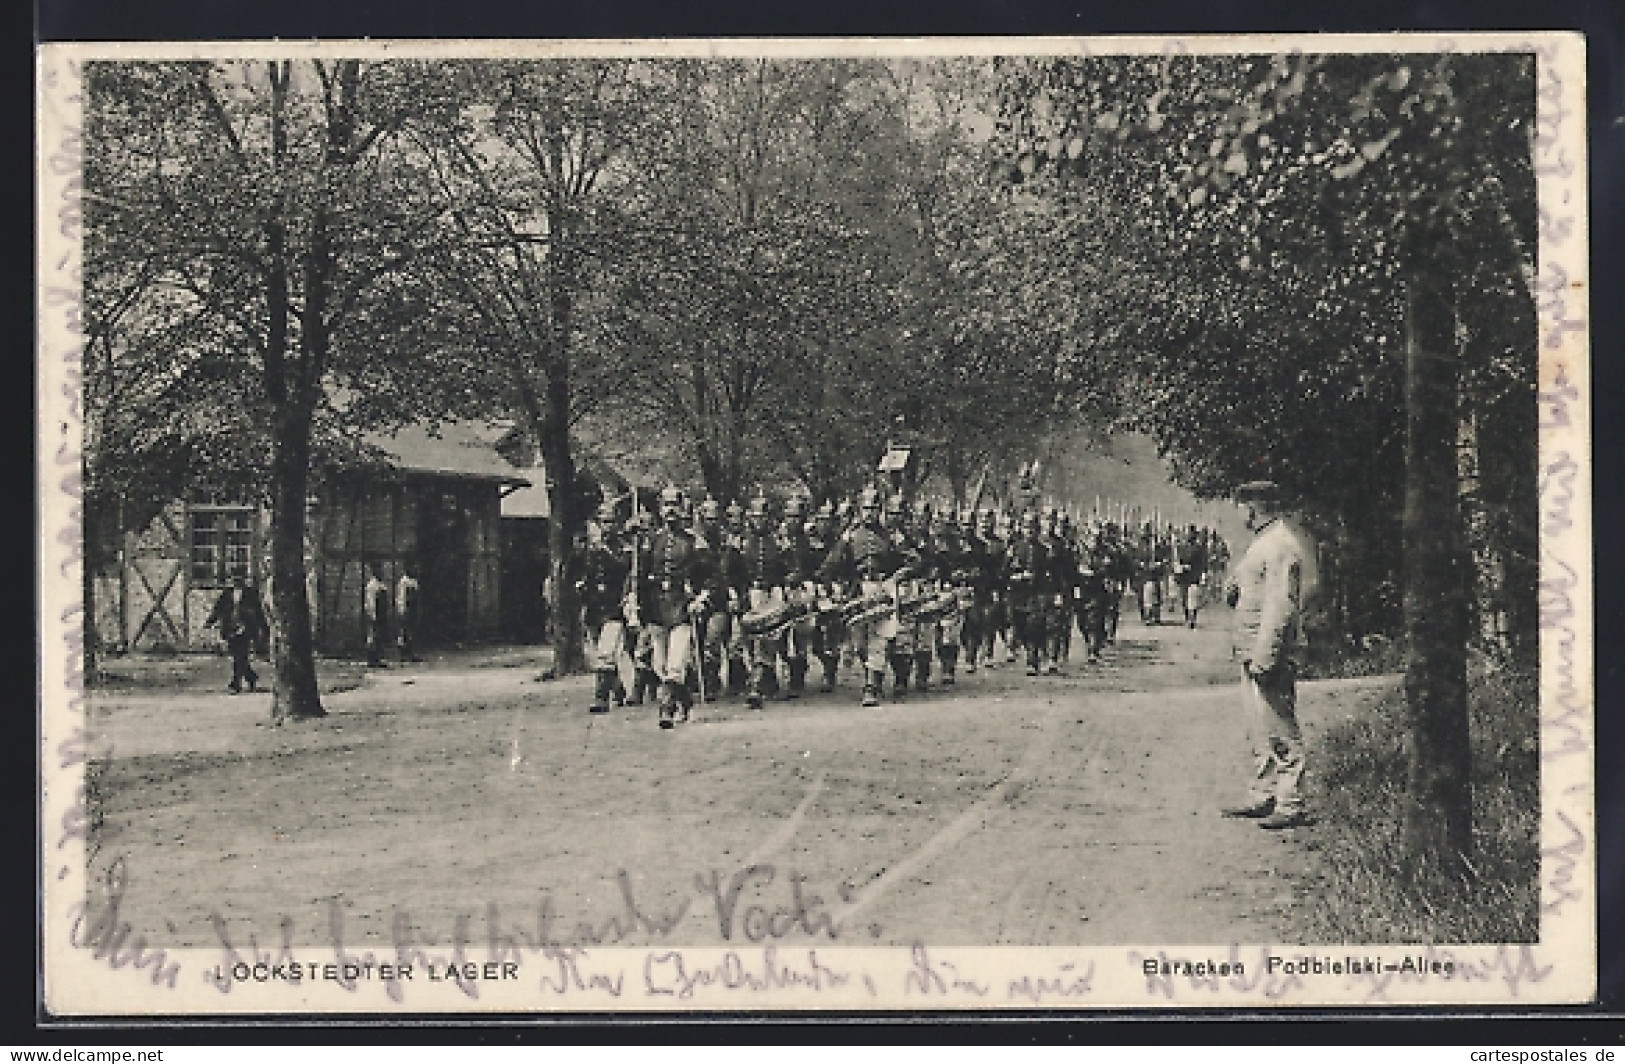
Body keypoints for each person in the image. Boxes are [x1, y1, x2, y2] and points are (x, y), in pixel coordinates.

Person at [1222, 481, 1320, 830]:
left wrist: (1267, 655)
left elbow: (1281, 606)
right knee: (1259, 730)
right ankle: (1262, 794)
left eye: (1242, 506)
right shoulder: (1263, 543)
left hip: (1268, 653)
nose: (1240, 513)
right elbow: (1248, 589)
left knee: (1280, 728)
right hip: (1251, 650)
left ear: (1254, 506)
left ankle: (1291, 803)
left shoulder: (1280, 545)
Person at [818, 486, 918, 707]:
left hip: (884, 589)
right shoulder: (850, 534)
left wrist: (898, 577)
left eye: (873, 508)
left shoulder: (892, 534)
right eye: (865, 508)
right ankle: (874, 676)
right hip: (858, 590)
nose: (869, 513)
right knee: (860, 643)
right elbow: (830, 565)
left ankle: (871, 687)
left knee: (880, 640)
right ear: (859, 509)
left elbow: (914, 560)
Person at [630, 485, 715, 728]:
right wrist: (635, 602)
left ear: (682, 508)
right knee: (660, 666)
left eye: (674, 506)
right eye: (666, 505)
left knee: (675, 664)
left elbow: (710, 575)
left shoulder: (693, 541)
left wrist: (701, 598)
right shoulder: (650, 541)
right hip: (656, 608)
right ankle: (685, 700)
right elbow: (639, 575)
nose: (670, 511)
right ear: (660, 509)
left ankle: (665, 711)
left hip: (681, 608)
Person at [582, 503, 632, 713]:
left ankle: (601, 698)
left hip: (615, 606)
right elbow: (587, 573)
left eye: (610, 522)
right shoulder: (592, 548)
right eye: (603, 522)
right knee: (601, 651)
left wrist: (606, 553)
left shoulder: (624, 547)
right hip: (595, 606)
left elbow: (624, 568)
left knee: (606, 651)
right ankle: (618, 686)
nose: (607, 526)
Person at [205, 576, 268, 693]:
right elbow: (218, 609)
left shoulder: (251, 594)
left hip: (246, 628)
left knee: (241, 656)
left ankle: (235, 684)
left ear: (243, 581)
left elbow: (259, 612)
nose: (235, 582)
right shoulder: (227, 594)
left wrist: (264, 629)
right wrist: (210, 621)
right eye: (233, 580)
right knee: (237, 656)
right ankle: (251, 677)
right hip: (230, 628)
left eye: (238, 580)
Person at [363, 563, 391, 668]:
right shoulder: (371, 586)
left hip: (382, 613)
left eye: (381, 570)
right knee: (372, 636)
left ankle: (378, 658)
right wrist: (373, 615)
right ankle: (371, 659)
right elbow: (370, 602)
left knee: (379, 636)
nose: (381, 572)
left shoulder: (382, 585)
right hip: (375, 613)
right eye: (378, 570)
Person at [396, 564, 423, 663]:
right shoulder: (403, 582)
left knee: (411, 632)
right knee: (404, 632)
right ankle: (402, 654)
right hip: (406, 609)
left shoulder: (414, 582)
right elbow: (401, 598)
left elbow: (416, 598)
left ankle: (411, 653)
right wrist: (402, 610)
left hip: (413, 609)